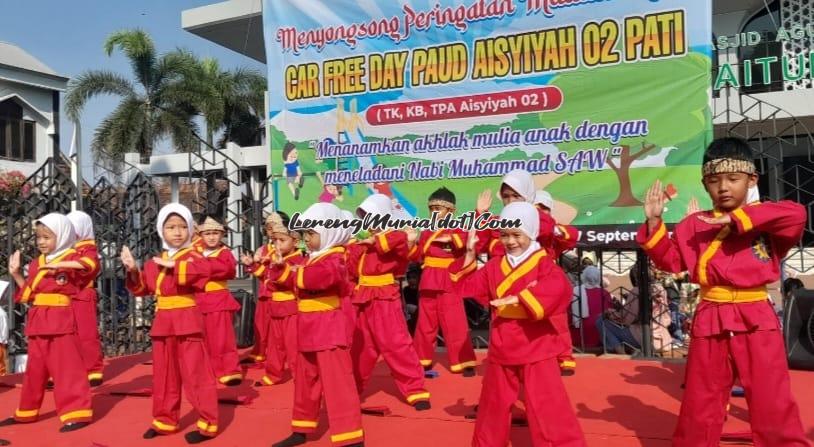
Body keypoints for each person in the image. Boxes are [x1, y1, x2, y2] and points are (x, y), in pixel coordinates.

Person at [637, 137, 809, 445]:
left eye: (733, 179)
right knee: (701, 399)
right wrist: (653, 223)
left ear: (751, 179)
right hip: (710, 316)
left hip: (755, 315)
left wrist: (738, 218)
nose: (724, 188)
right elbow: (672, 261)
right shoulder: (693, 224)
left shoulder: (766, 221)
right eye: (714, 181)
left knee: (772, 398)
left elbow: (797, 215)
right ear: (705, 185)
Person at [451, 201, 586, 447]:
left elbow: (560, 288)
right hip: (502, 347)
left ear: (532, 232)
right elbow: (466, 287)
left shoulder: (543, 263)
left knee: (548, 409)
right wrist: (470, 255)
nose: (510, 241)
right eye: (504, 235)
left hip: (537, 348)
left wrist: (522, 299)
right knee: (492, 408)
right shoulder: (494, 265)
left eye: (516, 234)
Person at [121, 203, 219, 444]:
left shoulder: (194, 255)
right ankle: (165, 419)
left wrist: (176, 266)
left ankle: (208, 423)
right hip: (164, 320)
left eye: (182, 226)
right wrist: (133, 270)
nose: (177, 232)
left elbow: (204, 272)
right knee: (164, 375)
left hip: (187, 318)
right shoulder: (155, 262)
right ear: (160, 230)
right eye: (171, 227)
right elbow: (144, 288)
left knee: (196, 374)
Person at [269, 203, 364, 447]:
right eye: (306, 235)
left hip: (328, 327)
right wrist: (280, 269)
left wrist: (289, 273)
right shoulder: (312, 259)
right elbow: (284, 282)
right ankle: (301, 428)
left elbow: (317, 279)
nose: (306, 239)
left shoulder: (336, 257)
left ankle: (350, 436)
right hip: (307, 326)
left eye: (311, 234)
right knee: (304, 381)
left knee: (337, 383)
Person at [474, 170, 578, 375]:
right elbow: (480, 242)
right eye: (506, 196)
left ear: (528, 195)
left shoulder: (539, 218)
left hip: (535, 282)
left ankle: (561, 359)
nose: (511, 200)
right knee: (501, 329)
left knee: (546, 327)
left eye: (516, 195)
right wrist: (481, 215)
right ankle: (497, 389)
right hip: (504, 283)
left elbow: (562, 233)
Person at [1, 213, 93, 432]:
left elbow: (89, 266)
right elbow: (29, 293)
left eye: (47, 237)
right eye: (39, 237)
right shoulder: (36, 263)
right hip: (39, 320)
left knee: (67, 369)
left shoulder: (73, 256)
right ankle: (27, 411)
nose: (41, 242)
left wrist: (60, 264)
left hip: (60, 319)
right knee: (34, 371)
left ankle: (77, 412)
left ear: (61, 236)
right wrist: (15, 274)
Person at [350, 194, 431, 410]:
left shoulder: (395, 237)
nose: (369, 223)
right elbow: (351, 269)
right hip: (363, 297)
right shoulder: (364, 243)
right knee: (361, 347)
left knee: (396, 344)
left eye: (372, 217)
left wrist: (373, 242)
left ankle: (415, 389)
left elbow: (399, 243)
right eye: (366, 218)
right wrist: (357, 248)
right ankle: (352, 389)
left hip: (385, 297)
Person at [407, 187, 477, 376]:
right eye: (432, 208)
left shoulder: (457, 228)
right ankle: (422, 360)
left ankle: (464, 361)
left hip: (448, 279)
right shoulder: (427, 233)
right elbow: (417, 256)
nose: (434, 212)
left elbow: (464, 243)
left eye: (439, 208)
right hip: (429, 279)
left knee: (455, 322)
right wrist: (410, 242)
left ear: (451, 211)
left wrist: (449, 237)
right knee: (425, 323)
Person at [255, 211, 303, 387]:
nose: (277, 244)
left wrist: (279, 267)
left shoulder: (298, 259)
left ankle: (301, 375)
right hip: (275, 306)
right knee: (275, 344)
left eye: (282, 240)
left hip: (291, 307)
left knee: (293, 345)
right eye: (275, 240)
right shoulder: (274, 258)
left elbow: (287, 281)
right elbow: (264, 276)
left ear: (295, 241)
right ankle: (272, 374)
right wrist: (252, 265)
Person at [194, 217, 242, 386]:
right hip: (198, 300)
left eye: (215, 233)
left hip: (218, 300)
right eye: (207, 233)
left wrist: (200, 265)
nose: (212, 237)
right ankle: (205, 369)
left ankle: (229, 370)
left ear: (222, 234)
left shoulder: (225, 253)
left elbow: (227, 270)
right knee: (201, 338)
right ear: (200, 235)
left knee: (222, 338)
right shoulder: (194, 251)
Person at [66, 210, 105, 386]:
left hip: (83, 293)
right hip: (65, 294)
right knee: (65, 334)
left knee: (87, 333)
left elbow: (87, 267)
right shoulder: (66, 247)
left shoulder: (88, 248)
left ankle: (93, 369)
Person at [241, 215, 278, 364]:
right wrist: (252, 264)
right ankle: (260, 353)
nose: (272, 230)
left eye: (275, 226)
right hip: (265, 292)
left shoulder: (290, 248)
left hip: (282, 294)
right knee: (261, 326)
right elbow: (261, 273)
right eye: (269, 228)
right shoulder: (262, 249)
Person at [570, 265, 609, 348]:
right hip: (600, 332)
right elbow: (609, 313)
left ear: (583, 276)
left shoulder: (575, 292)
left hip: (579, 332)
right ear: (599, 277)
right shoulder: (604, 293)